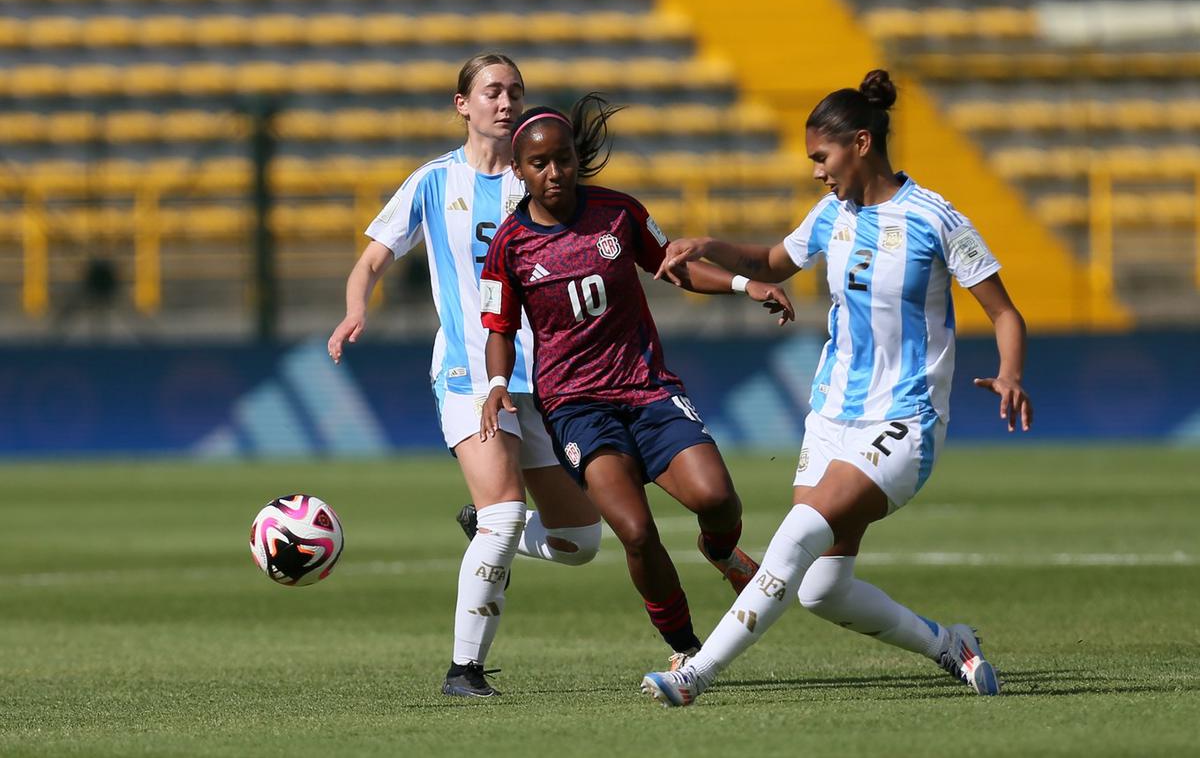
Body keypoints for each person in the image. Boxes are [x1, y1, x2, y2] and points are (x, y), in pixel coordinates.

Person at [640, 69, 1033, 706]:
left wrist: (1010, 373)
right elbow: (774, 262)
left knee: (794, 535)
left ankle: (693, 676)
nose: (818, 171)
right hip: (830, 416)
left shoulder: (936, 219)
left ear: (860, 143)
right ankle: (949, 644)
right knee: (821, 586)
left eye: (822, 157)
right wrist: (705, 244)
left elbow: (1005, 312)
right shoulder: (833, 215)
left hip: (903, 417)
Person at [478, 94, 797, 666]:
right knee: (636, 531)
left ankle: (721, 552)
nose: (555, 173)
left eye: (565, 160)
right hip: (576, 407)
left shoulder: (619, 212)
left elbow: (673, 265)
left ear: (578, 158)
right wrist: (497, 384)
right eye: (540, 164)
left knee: (718, 499)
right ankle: (686, 649)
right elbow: (498, 327)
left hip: (648, 388)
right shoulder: (509, 244)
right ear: (519, 170)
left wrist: (744, 286)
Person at [327, 53, 603, 699]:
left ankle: (480, 530)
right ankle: (463, 671)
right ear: (463, 105)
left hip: (550, 378)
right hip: (471, 372)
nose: (504, 102)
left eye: (514, 91)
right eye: (491, 91)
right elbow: (371, 258)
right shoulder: (432, 181)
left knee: (581, 542)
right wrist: (354, 309)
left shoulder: (543, 181)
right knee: (505, 515)